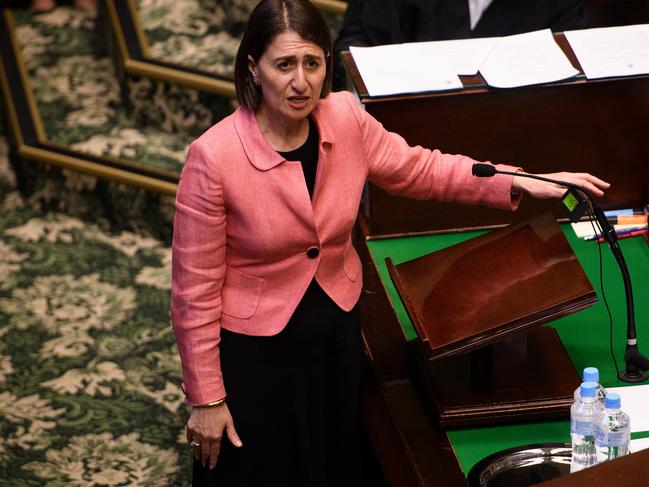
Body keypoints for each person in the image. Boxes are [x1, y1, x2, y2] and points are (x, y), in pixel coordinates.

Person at [171, 0, 608, 485]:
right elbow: (194, 291)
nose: (301, 82)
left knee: (331, 463)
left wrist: (518, 180)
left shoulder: (344, 118)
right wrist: (206, 398)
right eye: (284, 64)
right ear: (253, 67)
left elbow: (421, 168)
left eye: (312, 63)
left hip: (336, 335)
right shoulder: (213, 157)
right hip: (257, 355)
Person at [333, 0, 586, 90]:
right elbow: (354, 46)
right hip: (399, 134)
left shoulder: (557, 4)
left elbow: (567, 73)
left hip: (513, 132)